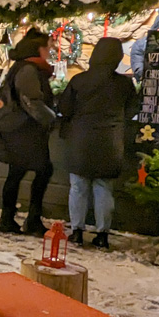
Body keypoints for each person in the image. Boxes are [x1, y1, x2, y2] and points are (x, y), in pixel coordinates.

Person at [58, 37, 139, 249]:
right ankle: (102, 234)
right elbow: (133, 110)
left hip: (80, 140)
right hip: (110, 141)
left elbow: (65, 108)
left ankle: (77, 231)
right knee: (104, 189)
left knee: (78, 188)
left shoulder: (79, 80)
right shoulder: (124, 83)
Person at [0, 28, 56, 234]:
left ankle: (8, 219)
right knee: (43, 171)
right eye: (47, 48)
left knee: (17, 173)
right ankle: (30, 219)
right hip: (25, 132)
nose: (50, 51)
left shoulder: (21, 67)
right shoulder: (28, 69)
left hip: (18, 131)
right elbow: (31, 101)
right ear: (38, 49)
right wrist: (50, 119)